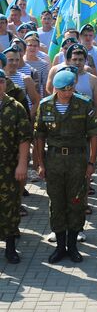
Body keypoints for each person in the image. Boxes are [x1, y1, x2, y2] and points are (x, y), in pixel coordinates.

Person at [34, 70, 97, 264]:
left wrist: (92, 162)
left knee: (76, 201)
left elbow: (94, 135)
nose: (67, 93)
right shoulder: (45, 106)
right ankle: (60, 246)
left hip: (77, 160)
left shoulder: (84, 104)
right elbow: (39, 136)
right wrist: (40, 164)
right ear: (56, 88)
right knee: (57, 202)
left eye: (70, 89)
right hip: (54, 159)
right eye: (63, 90)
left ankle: (72, 246)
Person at [0, 69, 32, 264]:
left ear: (5, 84)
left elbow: (24, 138)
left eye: (1, 82)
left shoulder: (16, 107)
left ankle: (10, 247)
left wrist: (22, 164)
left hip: (8, 166)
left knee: (10, 206)